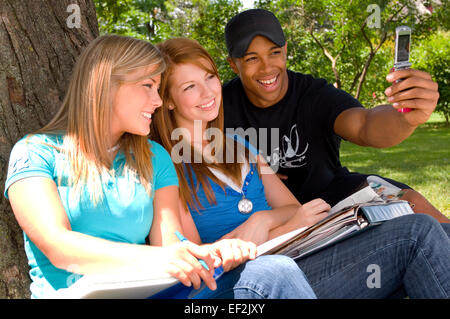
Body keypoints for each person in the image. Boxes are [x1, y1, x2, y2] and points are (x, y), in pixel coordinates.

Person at [3, 34, 317, 299]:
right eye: (147, 86)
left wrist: (213, 251)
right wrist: (163, 258)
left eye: (158, 88)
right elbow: (59, 247)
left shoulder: (154, 157)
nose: (156, 100)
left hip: (157, 294)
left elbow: (175, 244)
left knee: (274, 271)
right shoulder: (35, 152)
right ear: (106, 85)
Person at [152, 37, 450, 299]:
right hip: (243, 284)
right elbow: (195, 263)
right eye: (190, 86)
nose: (208, 93)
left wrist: (263, 219)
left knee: (419, 226)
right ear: (166, 99)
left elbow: (293, 209)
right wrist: (266, 228)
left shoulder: (239, 144)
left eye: (210, 78)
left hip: (296, 260)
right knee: (415, 237)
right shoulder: (167, 165)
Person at [222, 8, 449, 224]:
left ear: (286, 50)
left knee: (413, 204)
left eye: (274, 53)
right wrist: (247, 175)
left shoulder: (313, 94)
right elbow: (191, 159)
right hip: (260, 209)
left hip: (330, 196)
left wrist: (405, 117)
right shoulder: (219, 106)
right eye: (252, 58)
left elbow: (364, 125)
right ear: (234, 64)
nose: (266, 67)